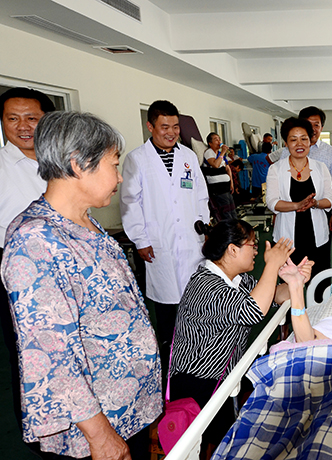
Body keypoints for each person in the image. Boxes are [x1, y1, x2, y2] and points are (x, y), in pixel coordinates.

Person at [1, 111, 162, 459]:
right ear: (78, 164)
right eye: (113, 165)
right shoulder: (35, 240)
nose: (119, 177)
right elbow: (50, 353)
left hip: (125, 406)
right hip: (92, 428)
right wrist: (100, 435)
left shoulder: (84, 222)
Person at [169, 220, 312, 447]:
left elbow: (274, 296)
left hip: (225, 373)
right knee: (226, 443)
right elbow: (253, 311)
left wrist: (296, 279)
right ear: (232, 250)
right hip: (198, 382)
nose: (256, 251)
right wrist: (272, 266)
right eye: (253, 245)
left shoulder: (238, 279)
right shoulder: (205, 286)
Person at [120, 99, 209, 377]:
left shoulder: (188, 156)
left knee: (196, 301)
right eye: (164, 127)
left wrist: (205, 228)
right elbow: (130, 202)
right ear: (150, 126)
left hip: (192, 240)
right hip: (158, 243)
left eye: (175, 126)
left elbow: (201, 195)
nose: (171, 132)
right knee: (168, 306)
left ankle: (199, 355)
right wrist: (140, 239)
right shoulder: (137, 159)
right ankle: (171, 364)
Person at [0, 87, 55, 429]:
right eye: (13, 118)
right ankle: (36, 426)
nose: (23, 126)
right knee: (27, 350)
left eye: (32, 118)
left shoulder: (59, 160)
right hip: (18, 272)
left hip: (64, 266)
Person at [267, 117, 332, 283]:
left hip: (317, 239)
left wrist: (316, 203)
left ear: (310, 141)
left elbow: (330, 199)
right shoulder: (276, 169)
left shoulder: (320, 168)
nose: (299, 144)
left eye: (304, 139)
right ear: (286, 143)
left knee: (320, 286)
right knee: (288, 289)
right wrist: (297, 205)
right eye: (293, 139)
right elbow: (272, 202)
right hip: (286, 242)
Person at [267, 106, 332, 236]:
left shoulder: (328, 154)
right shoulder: (283, 157)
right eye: (293, 139)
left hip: (320, 215)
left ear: (321, 127)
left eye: (316, 125)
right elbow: (275, 196)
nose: (313, 129)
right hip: (287, 220)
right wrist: (278, 213)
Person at [202, 132, 236, 222]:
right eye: (216, 139)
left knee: (232, 210)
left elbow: (228, 169)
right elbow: (215, 165)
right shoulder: (209, 152)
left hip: (226, 187)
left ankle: (236, 228)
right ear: (210, 143)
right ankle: (229, 229)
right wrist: (223, 152)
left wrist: (231, 183)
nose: (219, 141)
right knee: (226, 213)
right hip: (218, 189)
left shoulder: (220, 154)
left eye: (219, 139)